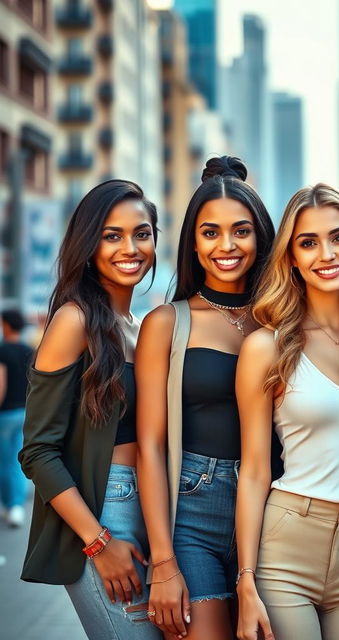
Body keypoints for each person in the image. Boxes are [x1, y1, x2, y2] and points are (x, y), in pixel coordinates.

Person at [235, 183, 339, 640]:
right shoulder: (265, 347)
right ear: (290, 257)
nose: (326, 254)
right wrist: (246, 579)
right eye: (308, 243)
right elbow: (253, 470)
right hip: (289, 546)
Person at [136, 156, 275, 640]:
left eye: (241, 230)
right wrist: (163, 562)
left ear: (261, 236)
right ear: (193, 243)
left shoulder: (285, 320)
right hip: (193, 510)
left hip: (275, 508)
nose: (227, 245)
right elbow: (150, 447)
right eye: (210, 232)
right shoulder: (167, 324)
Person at [19, 180, 161, 640]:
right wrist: (98, 542)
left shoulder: (141, 328)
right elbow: (38, 451)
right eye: (111, 235)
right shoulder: (74, 320)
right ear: (88, 243)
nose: (130, 247)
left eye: (142, 233)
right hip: (104, 511)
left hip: (156, 505)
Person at [0, 309, 33, 527]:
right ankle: (17, 504)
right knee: (19, 460)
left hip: (6, 413)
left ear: (7, 325)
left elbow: (0, 384)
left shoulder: (2, 350)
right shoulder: (31, 351)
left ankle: (12, 506)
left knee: (5, 462)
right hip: (26, 412)